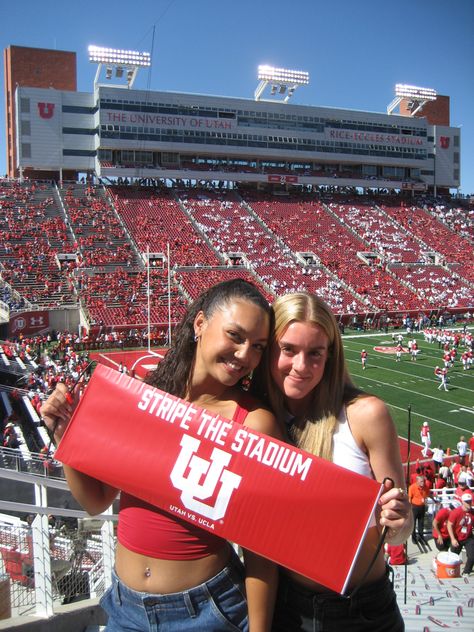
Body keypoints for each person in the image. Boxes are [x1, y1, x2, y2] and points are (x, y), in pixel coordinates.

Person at [41, 278, 285, 632]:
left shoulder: (254, 424)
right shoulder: (142, 399)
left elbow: (262, 551)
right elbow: (96, 500)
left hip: (208, 612)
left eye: (258, 346)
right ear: (200, 324)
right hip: (125, 608)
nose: (246, 355)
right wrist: (65, 437)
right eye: (235, 336)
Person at [252, 293, 411, 632]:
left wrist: (399, 521)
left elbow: (399, 534)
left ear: (331, 357)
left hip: (361, 610)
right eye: (288, 349)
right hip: (284, 606)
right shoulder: (255, 418)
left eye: (315, 354)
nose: (301, 366)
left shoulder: (365, 415)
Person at [447, 494, 474, 576]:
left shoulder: (472, 512)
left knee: (472, 556)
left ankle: (466, 571)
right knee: (452, 557)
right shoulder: (456, 512)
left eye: (470, 502)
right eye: (467, 502)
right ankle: (448, 571)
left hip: (468, 537)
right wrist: (453, 539)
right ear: (462, 502)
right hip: (457, 537)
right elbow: (449, 525)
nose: (469, 503)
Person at [408, 474, 431, 545]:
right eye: (421, 481)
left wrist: (434, 499)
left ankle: (421, 537)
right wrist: (409, 508)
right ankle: (414, 537)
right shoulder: (412, 487)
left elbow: (428, 494)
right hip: (414, 507)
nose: (423, 483)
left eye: (423, 481)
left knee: (421, 523)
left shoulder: (425, 487)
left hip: (422, 507)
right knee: (413, 523)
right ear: (417, 481)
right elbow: (409, 498)